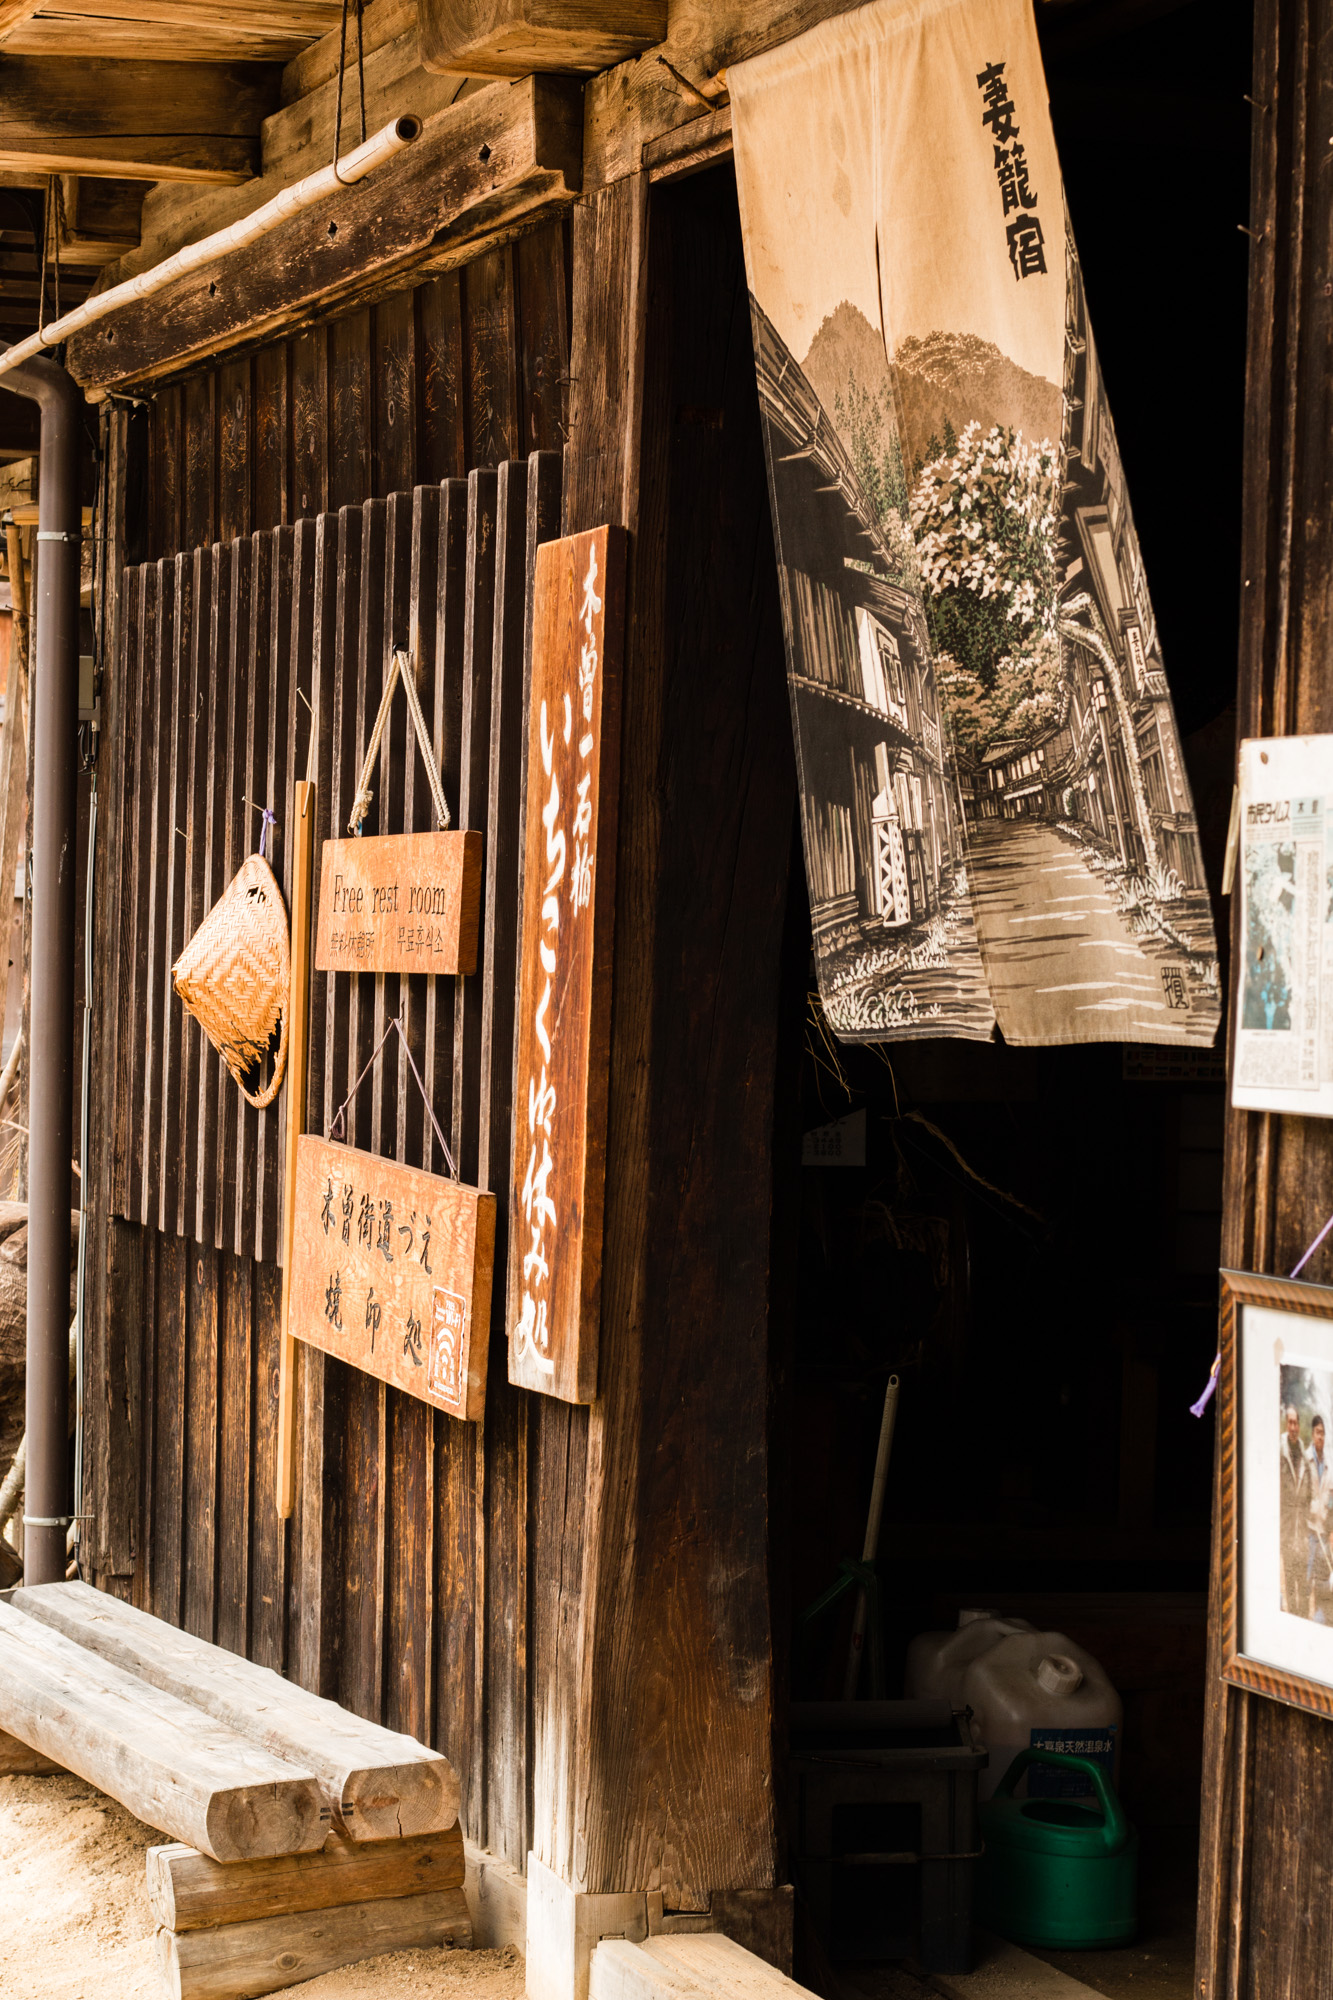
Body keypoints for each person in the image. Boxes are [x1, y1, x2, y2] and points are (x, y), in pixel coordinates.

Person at [1281, 1404, 1310, 1615]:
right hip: (1287, 1530)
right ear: (1286, 1424)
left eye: (1296, 1423)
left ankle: (1300, 1616)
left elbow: (1308, 1493)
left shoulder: (1303, 1453)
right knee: (1290, 1583)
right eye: (1290, 1422)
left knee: (1303, 1581)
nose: (1293, 1427)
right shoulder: (1279, 1452)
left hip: (1302, 1532)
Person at [1308, 1415, 1333, 1624]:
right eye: (1318, 1432)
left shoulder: (1328, 1464)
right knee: (1308, 1576)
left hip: (1323, 1529)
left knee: (1324, 1575)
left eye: (1323, 1433)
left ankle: (1322, 1618)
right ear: (1312, 1434)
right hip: (1308, 1528)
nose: (1321, 1437)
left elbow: (1331, 1498)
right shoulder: (1307, 1460)